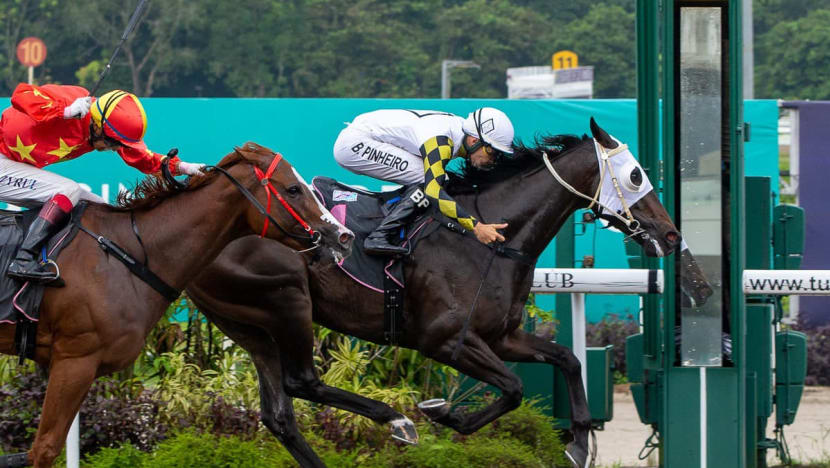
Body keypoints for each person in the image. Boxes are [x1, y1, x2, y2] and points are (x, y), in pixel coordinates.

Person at [0, 83, 206, 282]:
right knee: (67, 190)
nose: (116, 148)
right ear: (98, 127)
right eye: (114, 143)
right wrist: (64, 111)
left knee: (99, 208)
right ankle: (23, 260)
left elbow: (142, 157)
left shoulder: (102, 126)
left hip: (14, 165)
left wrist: (182, 167)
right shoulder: (73, 100)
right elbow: (21, 94)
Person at [333, 107, 513, 255]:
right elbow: (433, 191)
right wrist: (476, 226)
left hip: (367, 135)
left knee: (440, 178)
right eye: (491, 151)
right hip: (355, 144)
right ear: (474, 140)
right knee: (431, 181)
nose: (493, 159)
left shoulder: (460, 131)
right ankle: (380, 235)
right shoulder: (442, 141)